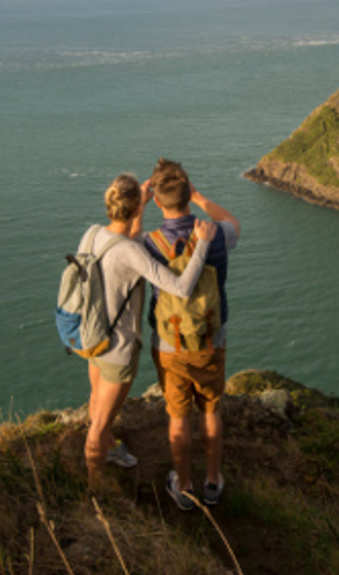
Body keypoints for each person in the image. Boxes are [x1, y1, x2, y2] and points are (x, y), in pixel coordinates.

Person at [77, 173, 218, 486]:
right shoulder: (132, 251)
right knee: (98, 426)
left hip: (93, 334)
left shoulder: (93, 234)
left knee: (96, 401)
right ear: (135, 205)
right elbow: (181, 288)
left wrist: (138, 206)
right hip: (118, 348)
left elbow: (128, 239)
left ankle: (109, 448)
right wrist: (202, 245)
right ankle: (95, 491)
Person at [143, 159, 240, 510]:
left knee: (178, 416)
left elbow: (120, 242)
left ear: (156, 198)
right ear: (188, 192)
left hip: (169, 346)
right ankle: (213, 482)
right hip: (212, 340)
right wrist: (200, 199)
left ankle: (183, 487)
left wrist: (139, 205)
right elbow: (234, 222)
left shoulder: (149, 244)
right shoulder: (217, 235)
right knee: (211, 410)